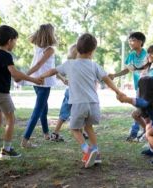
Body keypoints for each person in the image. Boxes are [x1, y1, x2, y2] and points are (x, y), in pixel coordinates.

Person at [40, 33, 124, 168]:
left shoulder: (69, 64)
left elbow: (53, 71)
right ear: (92, 51)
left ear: (77, 49)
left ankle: (87, 150)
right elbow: (107, 79)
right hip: (94, 104)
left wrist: (41, 76)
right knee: (88, 127)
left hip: (79, 104)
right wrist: (118, 92)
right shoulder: (94, 65)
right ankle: (96, 151)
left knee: (74, 128)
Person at [0, 25, 43, 160]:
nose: (15, 43)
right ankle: (6, 150)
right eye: (15, 40)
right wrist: (33, 79)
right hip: (1, 94)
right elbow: (14, 73)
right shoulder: (6, 56)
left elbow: (12, 75)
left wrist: (20, 77)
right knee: (11, 120)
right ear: (9, 41)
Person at [20, 23, 57, 148]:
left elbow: (47, 66)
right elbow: (38, 65)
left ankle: (46, 134)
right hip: (43, 82)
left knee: (43, 108)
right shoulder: (50, 49)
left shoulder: (38, 47)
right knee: (38, 110)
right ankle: (25, 139)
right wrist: (23, 75)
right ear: (50, 34)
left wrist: (27, 76)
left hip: (36, 81)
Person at [108, 32, 147, 141]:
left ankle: (135, 133)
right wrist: (115, 75)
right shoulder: (131, 55)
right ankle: (146, 131)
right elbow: (127, 70)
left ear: (140, 42)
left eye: (133, 40)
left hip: (148, 88)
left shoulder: (147, 54)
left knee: (140, 110)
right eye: (130, 40)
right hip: (138, 87)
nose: (130, 42)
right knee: (141, 110)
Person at [50, 44, 89, 142]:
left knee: (64, 113)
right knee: (81, 112)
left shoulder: (69, 64)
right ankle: (82, 132)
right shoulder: (83, 65)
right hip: (78, 93)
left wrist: (63, 79)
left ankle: (55, 133)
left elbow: (55, 71)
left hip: (69, 91)